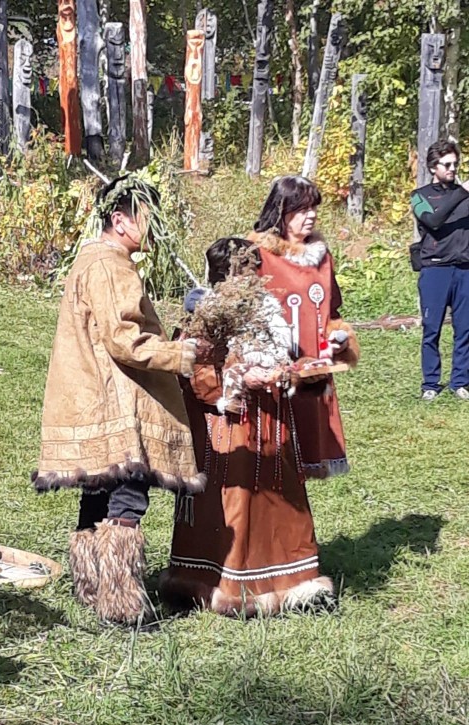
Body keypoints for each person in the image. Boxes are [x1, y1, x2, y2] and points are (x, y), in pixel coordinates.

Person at [32, 175, 214, 626]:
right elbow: (124, 340)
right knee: (127, 493)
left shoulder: (90, 259)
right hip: (117, 401)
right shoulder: (111, 266)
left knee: (98, 490)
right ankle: (119, 601)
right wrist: (181, 354)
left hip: (93, 396)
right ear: (120, 220)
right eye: (149, 218)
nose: (156, 228)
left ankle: (91, 585)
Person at [159, 237, 337, 617]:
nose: (257, 276)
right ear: (229, 275)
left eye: (257, 269)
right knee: (234, 503)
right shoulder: (207, 315)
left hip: (271, 423)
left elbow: (284, 354)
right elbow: (192, 367)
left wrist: (290, 373)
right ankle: (227, 585)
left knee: (280, 498)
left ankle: (292, 583)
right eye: (249, 270)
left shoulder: (266, 311)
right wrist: (232, 384)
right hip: (229, 428)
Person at [248, 175, 359, 479]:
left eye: (313, 208)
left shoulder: (322, 257)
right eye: (301, 210)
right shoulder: (258, 255)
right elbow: (242, 313)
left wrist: (340, 340)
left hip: (314, 370)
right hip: (275, 370)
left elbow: (331, 312)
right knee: (273, 456)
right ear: (281, 212)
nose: (310, 216)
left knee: (306, 451)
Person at [411, 139, 469, 401]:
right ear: (433, 167)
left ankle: (460, 382)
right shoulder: (420, 196)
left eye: (455, 164)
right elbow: (433, 220)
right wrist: (462, 192)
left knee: (465, 329)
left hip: (464, 269)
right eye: (447, 164)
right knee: (431, 329)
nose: (452, 169)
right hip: (435, 271)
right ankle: (431, 384)